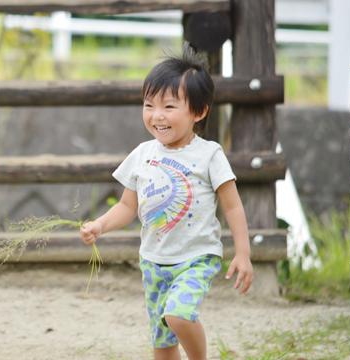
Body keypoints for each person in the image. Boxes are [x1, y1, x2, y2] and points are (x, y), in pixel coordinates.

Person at [80, 44, 253, 360]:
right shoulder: (143, 154)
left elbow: (232, 206)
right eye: (149, 105)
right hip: (153, 261)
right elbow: (127, 207)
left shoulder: (209, 154)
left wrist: (243, 253)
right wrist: (100, 225)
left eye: (169, 107)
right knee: (163, 344)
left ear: (198, 112)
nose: (157, 116)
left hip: (195, 257)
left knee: (178, 314)